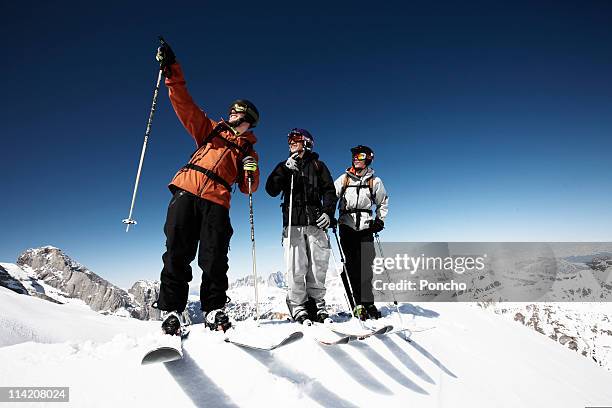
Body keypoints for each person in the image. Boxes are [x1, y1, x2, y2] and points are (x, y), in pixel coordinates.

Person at [153, 39, 260, 334]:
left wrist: (250, 172)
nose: (232, 114)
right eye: (232, 111)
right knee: (176, 250)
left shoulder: (248, 152)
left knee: (214, 257)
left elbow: (250, 188)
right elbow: (183, 103)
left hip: (217, 200)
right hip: (187, 189)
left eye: (238, 113)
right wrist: (171, 69)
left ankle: (214, 310)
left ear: (248, 121)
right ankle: (173, 311)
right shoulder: (209, 129)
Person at [265, 129, 337, 324]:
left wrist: (328, 213)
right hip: (293, 223)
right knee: (295, 267)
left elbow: (330, 191)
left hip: (316, 223)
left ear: (307, 143)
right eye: (289, 140)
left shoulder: (318, 166)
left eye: (295, 139)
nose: (290, 143)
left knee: (318, 267)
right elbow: (270, 189)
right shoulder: (286, 166)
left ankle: (317, 305)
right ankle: (297, 305)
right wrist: (284, 170)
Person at [335, 145, 388, 320]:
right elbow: (330, 195)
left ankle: (368, 302)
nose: (356, 158)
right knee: (351, 266)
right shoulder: (344, 179)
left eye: (360, 155)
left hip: (366, 227)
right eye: (354, 155)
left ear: (368, 159)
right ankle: (356, 304)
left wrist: (380, 220)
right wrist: (328, 213)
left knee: (366, 266)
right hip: (346, 226)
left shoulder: (375, 181)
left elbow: (383, 201)